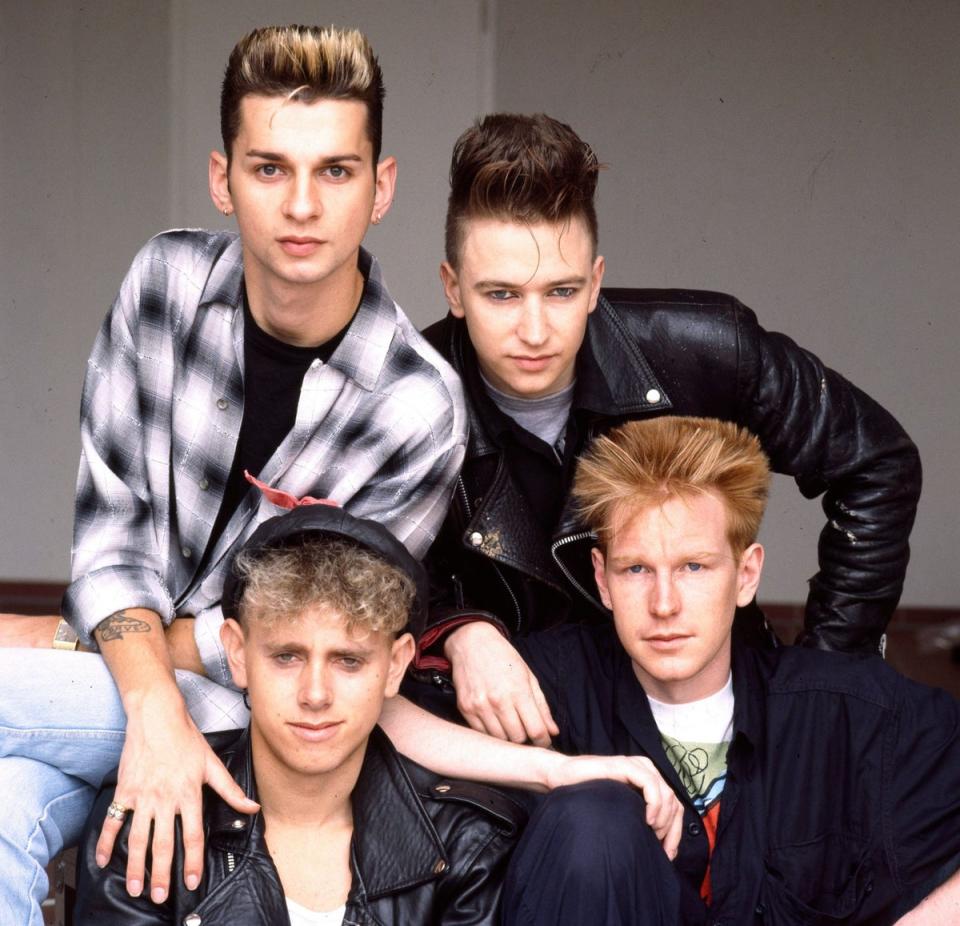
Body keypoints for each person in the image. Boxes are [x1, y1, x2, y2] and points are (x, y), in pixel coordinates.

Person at [0, 25, 466, 924]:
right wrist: (150, 708)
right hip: (132, 701)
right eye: (269, 169)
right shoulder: (164, 285)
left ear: (382, 189)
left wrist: (74, 643)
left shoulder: (417, 408)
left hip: (264, 725)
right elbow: (114, 534)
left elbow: (292, 637)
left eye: (335, 171)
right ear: (223, 179)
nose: (302, 205)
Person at [415, 112, 922, 747]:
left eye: (563, 291)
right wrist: (460, 630)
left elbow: (877, 461)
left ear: (596, 281)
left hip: (712, 708)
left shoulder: (704, 347)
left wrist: (822, 673)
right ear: (453, 288)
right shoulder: (406, 394)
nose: (537, 331)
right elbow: (363, 554)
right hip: (529, 733)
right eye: (502, 295)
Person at [496, 416, 959, 925]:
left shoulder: (843, 708)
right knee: (591, 816)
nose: (664, 604)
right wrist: (467, 634)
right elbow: (394, 715)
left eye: (694, 567)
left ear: (746, 575)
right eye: (637, 570)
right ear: (603, 582)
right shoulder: (551, 678)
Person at [74, 504, 524, 925]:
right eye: (287, 656)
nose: (314, 694)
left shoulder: (466, 842)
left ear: (395, 666)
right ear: (237, 654)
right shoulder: (150, 816)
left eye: (349, 661)